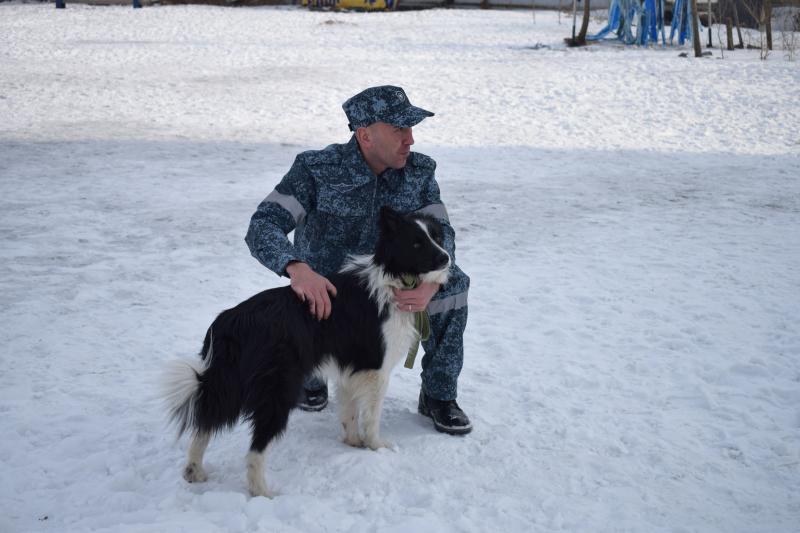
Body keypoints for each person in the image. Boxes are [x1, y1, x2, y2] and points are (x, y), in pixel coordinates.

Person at [244, 85, 471, 435]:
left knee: (453, 284)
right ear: (365, 135)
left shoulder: (419, 172)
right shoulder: (316, 169)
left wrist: (431, 281)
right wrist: (296, 268)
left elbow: (443, 233)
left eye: (411, 129)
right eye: (399, 129)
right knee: (307, 356)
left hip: (388, 283)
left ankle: (439, 395)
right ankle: (313, 375)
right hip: (327, 293)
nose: (410, 139)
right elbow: (263, 224)